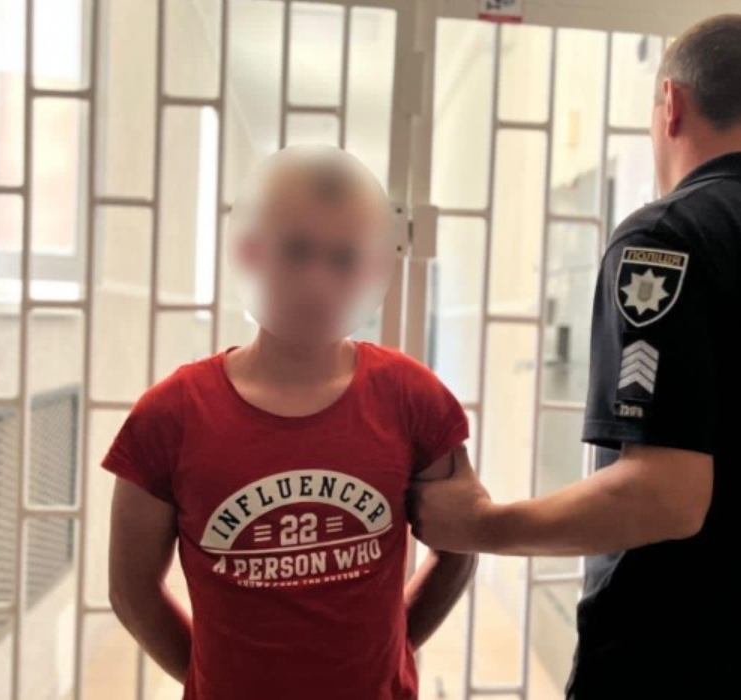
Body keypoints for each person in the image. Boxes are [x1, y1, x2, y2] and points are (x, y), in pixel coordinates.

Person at [410, 14, 741, 700]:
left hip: (666, 672)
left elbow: (664, 496)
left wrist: (483, 526)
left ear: (671, 103)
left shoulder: (663, 238)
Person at [105, 145, 476, 700]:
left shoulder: (413, 398)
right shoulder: (169, 417)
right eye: (297, 251)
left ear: (372, 268)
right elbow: (132, 590)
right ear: (252, 252)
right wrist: (210, 679)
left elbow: (459, 549)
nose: (318, 282)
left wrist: (393, 653)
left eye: (343, 259)